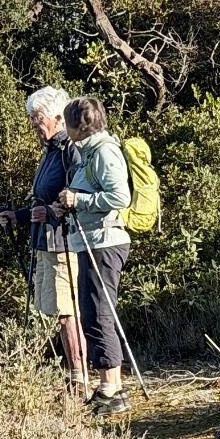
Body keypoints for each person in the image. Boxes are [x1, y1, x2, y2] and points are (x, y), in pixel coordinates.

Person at [0, 86, 90, 398]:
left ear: (57, 117)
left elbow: (78, 195)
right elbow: (43, 203)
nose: (34, 125)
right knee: (59, 312)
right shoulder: (51, 151)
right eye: (32, 119)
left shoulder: (69, 150)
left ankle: (80, 381)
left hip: (64, 242)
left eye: (38, 118)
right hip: (46, 241)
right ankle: (75, 377)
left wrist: (52, 212)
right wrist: (18, 217)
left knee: (68, 312)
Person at [55, 95, 133, 414]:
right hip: (93, 241)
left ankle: (111, 389)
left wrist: (79, 200)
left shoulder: (102, 151)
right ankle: (111, 387)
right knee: (95, 312)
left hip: (104, 242)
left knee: (99, 313)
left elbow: (120, 196)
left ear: (77, 126)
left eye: (66, 123)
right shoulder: (90, 152)